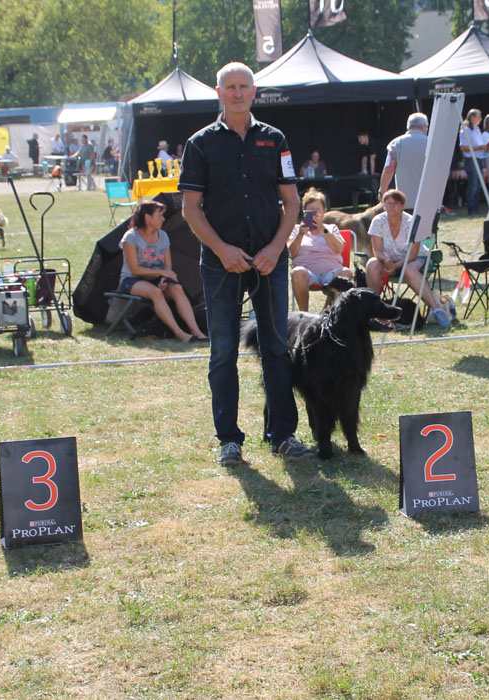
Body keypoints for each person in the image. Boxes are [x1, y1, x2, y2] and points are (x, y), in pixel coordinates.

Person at [179, 60, 311, 466]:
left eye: (244, 86)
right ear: (218, 93)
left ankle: (283, 435)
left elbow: (292, 203)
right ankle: (229, 441)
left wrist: (276, 248)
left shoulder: (275, 139)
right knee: (223, 353)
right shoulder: (200, 144)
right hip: (220, 265)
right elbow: (190, 209)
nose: (237, 93)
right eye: (229, 87)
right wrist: (221, 249)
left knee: (276, 347)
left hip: (269, 262)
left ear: (254, 92)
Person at [118, 200, 207, 342]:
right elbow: (134, 268)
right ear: (147, 217)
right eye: (159, 215)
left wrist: (165, 279)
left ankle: (196, 331)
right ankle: (180, 333)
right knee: (156, 292)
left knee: (177, 288)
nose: (163, 219)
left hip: (156, 278)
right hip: (132, 279)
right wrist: (161, 274)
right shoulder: (131, 237)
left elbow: (167, 266)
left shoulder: (163, 236)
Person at [366, 189, 452, 327]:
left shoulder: (411, 222)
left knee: (408, 270)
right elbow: (377, 250)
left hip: (416, 259)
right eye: (388, 203)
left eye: (395, 203)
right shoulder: (378, 221)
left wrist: (396, 265)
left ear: (402, 206)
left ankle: (437, 310)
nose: (391, 206)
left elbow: (413, 253)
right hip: (390, 261)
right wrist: (386, 261)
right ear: (383, 205)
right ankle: (373, 310)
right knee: (372, 264)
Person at [288, 187, 352, 311]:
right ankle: (304, 314)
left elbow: (339, 248)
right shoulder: (296, 230)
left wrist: (323, 230)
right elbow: (291, 254)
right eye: (311, 210)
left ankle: (326, 312)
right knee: (297, 272)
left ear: (324, 212)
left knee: (346, 273)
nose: (315, 212)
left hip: (331, 272)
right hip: (307, 272)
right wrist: (300, 235)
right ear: (304, 211)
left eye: (318, 209)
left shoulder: (331, 228)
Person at [380, 113, 428, 208]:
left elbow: (388, 169)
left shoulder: (395, 144)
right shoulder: (432, 143)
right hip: (427, 202)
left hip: (404, 202)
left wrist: (382, 192)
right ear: (423, 127)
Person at [458, 109, 488, 216]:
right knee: (473, 185)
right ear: (472, 118)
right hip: (471, 160)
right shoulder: (465, 130)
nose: (480, 119)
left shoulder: (476, 129)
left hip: (479, 158)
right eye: (478, 117)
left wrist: (484, 147)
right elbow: (464, 148)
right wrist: (480, 147)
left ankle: (476, 208)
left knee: (478, 185)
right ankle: (471, 209)